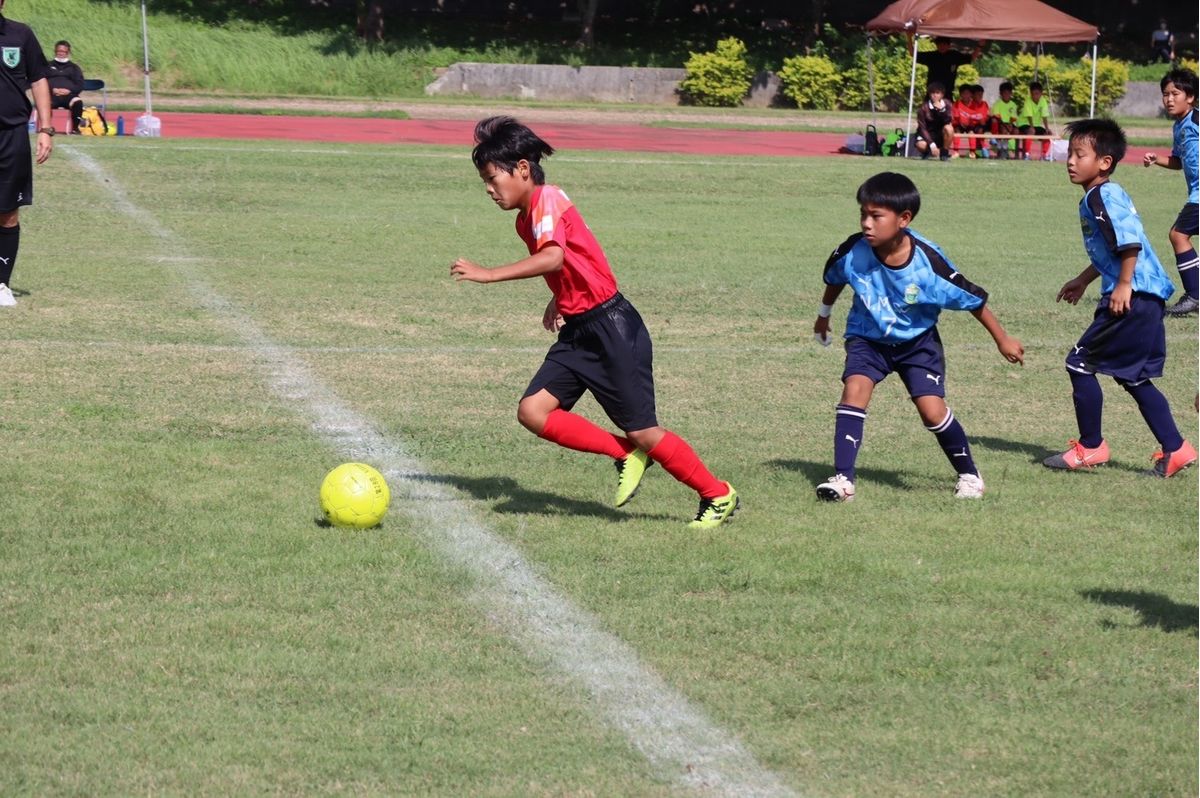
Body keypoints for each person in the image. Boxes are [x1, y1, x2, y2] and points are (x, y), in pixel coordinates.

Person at [450, 116, 739, 529]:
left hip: (612, 328)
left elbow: (554, 256)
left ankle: (717, 494)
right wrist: (559, 296)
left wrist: (488, 273)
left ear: (523, 169)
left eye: (493, 178)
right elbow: (575, 259)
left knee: (644, 432)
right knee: (533, 411)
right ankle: (622, 454)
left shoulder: (546, 198)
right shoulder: (526, 217)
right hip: (580, 329)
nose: (489, 189)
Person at [811, 172, 1025, 502]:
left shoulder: (929, 265)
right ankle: (843, 479)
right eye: (863, 214)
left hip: (917, 343)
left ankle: (969, 474)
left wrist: (1002, 339)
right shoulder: (854, 250)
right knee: (854, 389)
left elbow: (973, 299)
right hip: (867, 338)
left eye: (876, 216)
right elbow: (837, 277)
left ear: (904, 219)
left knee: (931, 411)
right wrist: (824, 315)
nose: (867, 224)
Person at [1044, 119, 1196, 477]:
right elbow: (1115, 247)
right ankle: (1176, 449)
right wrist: (1083, 279)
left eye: (1080, 154)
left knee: (1079, 364)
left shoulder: (1101, 196)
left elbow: (1129, 243)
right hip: (1147, 297)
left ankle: (1091, 446)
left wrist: (1124, 285)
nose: (1070, 160)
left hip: (1134, 296)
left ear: (1104, 162)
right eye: (1070, 153)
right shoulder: (1103, 194)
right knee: (1134, 377)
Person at [0, 0, 53, 307]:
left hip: (11, 134)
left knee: (7, 213)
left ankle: (2, 283)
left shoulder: (20, 35)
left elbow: (38, 78)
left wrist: (45, 129)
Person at [1142, 67, 1198, 317]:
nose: (1169, 99)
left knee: (1178, 235)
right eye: (1165, 94)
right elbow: (1178, 161)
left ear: (1191, 97)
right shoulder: (1179, 127)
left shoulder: (1196, 119)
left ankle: (1194, 295)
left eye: (1175, 93)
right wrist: (1157, 160)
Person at [911, 36, 985, 98]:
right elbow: (913, 54)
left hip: (947, 92)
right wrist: (908, 37)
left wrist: (979, 46)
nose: (942, 47)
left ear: (949, 45)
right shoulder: (931, 56)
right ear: (937, 45)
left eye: (944, 44)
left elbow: (972, 58)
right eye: (940, 44)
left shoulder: (954, 55)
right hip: (932, 93)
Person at [46, 40, 84, 134]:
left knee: (78, 102)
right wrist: (52, 89)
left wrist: (69, 91)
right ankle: (47, 128)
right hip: (51, 96)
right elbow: (41, 81)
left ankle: (75, 129)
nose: (61, 53)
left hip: (69, 96)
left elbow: (79, 84)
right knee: (44, 103)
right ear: (55, 51)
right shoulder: (47, 65)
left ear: (68, 52)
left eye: (64, 51)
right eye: (59, 51)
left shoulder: (74, 67)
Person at [914, 82, 954, 161]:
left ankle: (944, 154)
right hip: (928, 135)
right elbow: (922, 128)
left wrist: (942, 110)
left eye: (937, 93)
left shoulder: (947, 104)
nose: (935, 95)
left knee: (949, 128)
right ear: (929, 94)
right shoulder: (923, 108)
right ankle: (927, 152)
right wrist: (931, 144)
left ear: (942, 95)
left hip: (941, 135)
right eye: (932, 93)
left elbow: (948, 120)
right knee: (920, 145)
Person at [1016, 81, 1053, 161]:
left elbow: (1044, 115)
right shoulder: (1028, 101)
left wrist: (1047, 128)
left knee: (1047, 134)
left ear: (1041, 93)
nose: (1035, 96)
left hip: (1036, 126)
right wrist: (1032, 127)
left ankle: (1044, 155)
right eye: (1033, 94)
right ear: (1030, 93)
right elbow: (1029, 116)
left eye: (1037, 94)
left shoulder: (1043, 101)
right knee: (1031, 131)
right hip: (1024, 124)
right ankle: (1027, 154)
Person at [989, 81, 1020, 159]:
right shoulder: (997, 104)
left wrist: (1010, 124)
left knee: (1016, 131)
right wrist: (1006, 125)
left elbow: (1013, 117)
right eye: (1004, 93)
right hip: (1000, 123)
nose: (1006, 95)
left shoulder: (1013, 104)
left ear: (1011, 93)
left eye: (1008, 93)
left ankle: (1012, 151)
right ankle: (1001, 149)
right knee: (1003, 129)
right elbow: (997, 116)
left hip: (1009, 123)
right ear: (1001, 94)